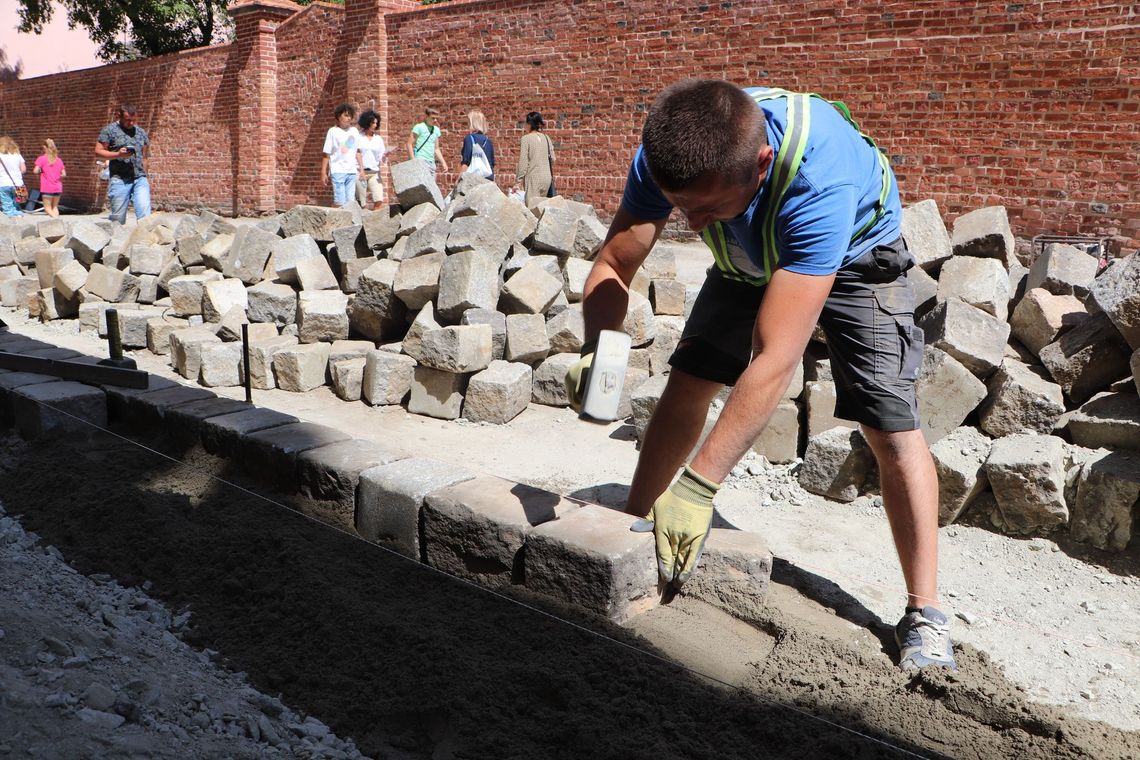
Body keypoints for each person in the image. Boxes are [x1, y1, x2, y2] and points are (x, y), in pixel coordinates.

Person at [566, 79, 956, 672]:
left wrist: (699, 487)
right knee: (691, 375)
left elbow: (775, 357)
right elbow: (616, 262)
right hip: (751, 249)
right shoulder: (673, 153)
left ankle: (925, 612)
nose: (693, 226)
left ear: (761, 163)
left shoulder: (817, 179)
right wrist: (599, 349)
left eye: (707, 209)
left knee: (888, 423)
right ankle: (637, 522)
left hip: (855, 252)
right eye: (682, 207)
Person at [96, 104, 151, 224]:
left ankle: (146, 241)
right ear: (118, 116)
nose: (131, 123)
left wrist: (145, 175)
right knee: (118, 219)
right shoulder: (109, 130)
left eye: (133, 120)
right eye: (127, 120)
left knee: (145, 215)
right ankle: (116, 239)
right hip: (119, 179)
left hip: (139, 178)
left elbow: (145, 156)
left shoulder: (141, 132)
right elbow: (98, 152)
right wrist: (118, 155)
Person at [321, 103, 361, 207]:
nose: (349, 118)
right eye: (346, 115)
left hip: (351, 171)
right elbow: (326, 154)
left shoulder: (354, 131)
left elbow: (357, 151)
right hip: (338, 170)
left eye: (350, 116)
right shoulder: (333, 132)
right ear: (339, 117)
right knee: (340, 201)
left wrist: (361, 169)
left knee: (350, 202)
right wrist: (323, 172)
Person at [514, 111, 554, 209]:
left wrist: (518, 181)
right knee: (542, 209)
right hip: (547, 177)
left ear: (529, 124)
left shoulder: (526, 139)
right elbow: (553, 158)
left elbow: (523, 162)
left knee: (532, 210)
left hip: (533, 178)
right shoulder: (546, 138)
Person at [356, 110, 391, 210]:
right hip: (360, 172)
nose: (375, 125)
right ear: (366, 122)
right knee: (362, 202)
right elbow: (347, 150)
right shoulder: (357, 136)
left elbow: (381, 157)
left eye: (376, 123)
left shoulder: (378, 139)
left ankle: (376, 222)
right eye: (372, 122)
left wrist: (386, 155)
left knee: (379, 198)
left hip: (374, 172)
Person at [407, 107, 448, 179]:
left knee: (431, 188)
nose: (435, 120)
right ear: (426, 117)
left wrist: (443, 162)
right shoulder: (419, 127)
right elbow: (409, 144)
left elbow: (436, 149)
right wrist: (413, 160)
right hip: (420, 160)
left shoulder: (436, 130)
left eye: (436, 118)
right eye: (433, 118)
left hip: (431, 163)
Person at [458, 110, 495, 181]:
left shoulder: (469, 139)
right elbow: (492, 164)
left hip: (473, 178)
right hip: (488, 178)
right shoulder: (488, 140)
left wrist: (458, 180)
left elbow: (466, 162)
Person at [34, 139, 66, 217]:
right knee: (54, 207)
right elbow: (64, 174)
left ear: (45, 147)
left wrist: (42, 171)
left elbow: (35, 171)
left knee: (47, 208)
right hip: (57, 187)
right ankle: (57, 222)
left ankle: (56, 220)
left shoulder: (42, 159)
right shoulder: (59, 160)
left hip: (47, 187)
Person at [0, 136, 26, 217]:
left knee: (7, 205)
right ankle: (18, 215)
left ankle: (11, 220)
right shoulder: (17, 155)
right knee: (18, 203)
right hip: (18, 183)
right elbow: (23, 169)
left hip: (3, 183)